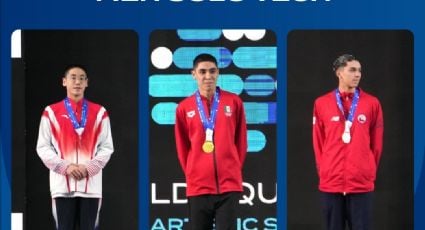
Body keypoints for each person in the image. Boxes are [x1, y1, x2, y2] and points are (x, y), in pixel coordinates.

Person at [174, 53, 247, 230]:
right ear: (194, 74)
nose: (208, 76)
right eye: (203, 71)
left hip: (229, 186)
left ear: (218, 73)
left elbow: (241, 142)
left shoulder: (234, 102)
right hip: (198, 186)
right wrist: (194, 172)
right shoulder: (184, 107)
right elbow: (183, 147)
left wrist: (233, 167)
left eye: (212, 71)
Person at [36, 65, 114, 230]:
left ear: (87, 83)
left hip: (91, 186)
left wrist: (89, 168)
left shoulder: (100, 112)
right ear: (64, 82)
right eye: (73, 77)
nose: (77, 82)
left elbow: (107, 147)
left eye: (81, 78)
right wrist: (66, 167)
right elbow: (43, 147)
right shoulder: (50, 112)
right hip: (62, 186)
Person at [312, 54, 384, 230]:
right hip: (331, 182)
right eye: (352, 70)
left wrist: (368, 170)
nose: (357, 74)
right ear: (339, 73)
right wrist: (325, 170)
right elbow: (318, 141)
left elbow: (376, 144)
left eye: (359, 70)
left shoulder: (372, 103)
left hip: (360, 182)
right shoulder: (321, 103)